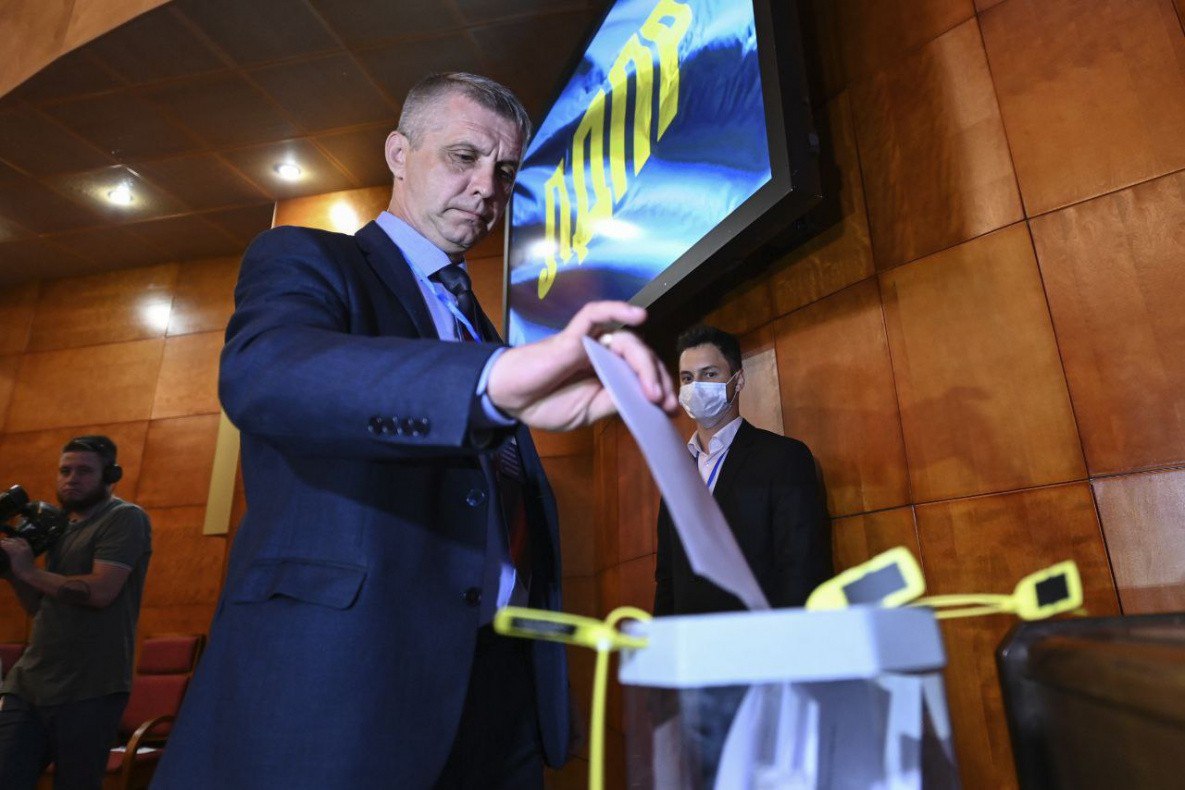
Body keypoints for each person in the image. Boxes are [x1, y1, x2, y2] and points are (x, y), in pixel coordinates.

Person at [154, 72, 675, 789]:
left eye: (505, 171)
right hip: (350, 685)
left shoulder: (481, 325)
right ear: (399, 153)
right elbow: (266, 373)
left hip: (500, 691)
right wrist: (490, 382)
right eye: (464, 157)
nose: (487, 187)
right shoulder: (308, 259)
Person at [0, 435, 153, 790]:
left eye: (84, 471)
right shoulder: (60, 528)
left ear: (111, 475)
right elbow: (38, 606)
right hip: (30, 682)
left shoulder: (125, 518)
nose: (71, 479)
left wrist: (29, 571)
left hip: (91, 687)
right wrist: (12, 572)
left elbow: (100, 592)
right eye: (65, 471)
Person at [654, 325, 832, 616]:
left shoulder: (783, 458)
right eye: (687, 378)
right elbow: (667, 576)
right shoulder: (676, 474)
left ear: (738, 380)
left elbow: (802, 567)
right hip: (691, 638)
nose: (696, 386)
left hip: (758, 637)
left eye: (710, 374)